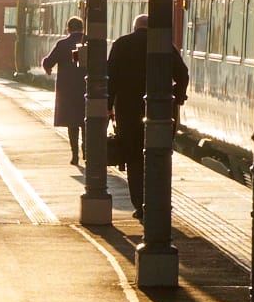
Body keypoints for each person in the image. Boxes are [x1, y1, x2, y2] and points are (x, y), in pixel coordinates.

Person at [107, 12, 189, 219]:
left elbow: (111, 78)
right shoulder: (164, 46)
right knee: (160, 157)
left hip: (127, 111)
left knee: (134, 158)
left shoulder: (121, 44)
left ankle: (139, 205)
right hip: (160, 112)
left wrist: (108, 107)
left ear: (135, 27)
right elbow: (183, 74)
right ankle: (158, 202)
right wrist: (177, 98)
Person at [41, 16, 87, 166]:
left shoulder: (62, 44)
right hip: (87, 89)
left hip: (67, 91)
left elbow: (49, 62)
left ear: (68, 28)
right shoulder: (91, 42)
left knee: (72, 124)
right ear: (82, 27)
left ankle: (75, 155)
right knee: (86, 122)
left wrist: (47, 67)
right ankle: (86, 151)